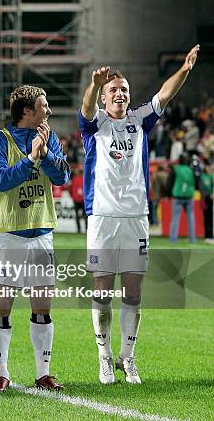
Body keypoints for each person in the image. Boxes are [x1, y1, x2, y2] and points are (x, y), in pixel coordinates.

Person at [79, 45, 199, 385]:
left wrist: (185, 69)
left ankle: (127, 358)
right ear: (104, 98)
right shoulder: (94, 126)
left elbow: (164, 94)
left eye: (125, 90)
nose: (120, 93)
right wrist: (93, 84)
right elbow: (86, 108)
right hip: (102, 216)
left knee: (133, 291)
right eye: (114, 90)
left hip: (135, 217)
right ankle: (103, 357)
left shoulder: (139, 120)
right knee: (102, 290)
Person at [0, 85, 70, 392]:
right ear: (27, 112)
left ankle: (43, 373)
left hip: (41, 233)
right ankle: (2, 373)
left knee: (42, 306)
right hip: (8, 235)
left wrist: (44, 154)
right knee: (3, 305)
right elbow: (1, 180)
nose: (48, 111)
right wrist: (30, 159)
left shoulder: (50, 138)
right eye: (43, 106)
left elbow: (62, 176)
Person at [167, 153, 197, 243]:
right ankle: (192, 239)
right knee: (191, 217)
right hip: (189, 195)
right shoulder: (191, 170)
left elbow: (169, 183)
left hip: (177, 196)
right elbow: (195, 181)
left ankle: (173, 240)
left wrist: (168, 195)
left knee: (175, 218)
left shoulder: (175, 169)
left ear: (179, 160)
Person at [69, 167, 86, 233]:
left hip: (76, 200)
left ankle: (79, 229)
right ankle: (86, 228)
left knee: (77, 216)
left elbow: (70, 189)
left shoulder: (74, 179)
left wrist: (73, 196)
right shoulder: (84, 179)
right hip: (82, 200)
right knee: (85, 216)